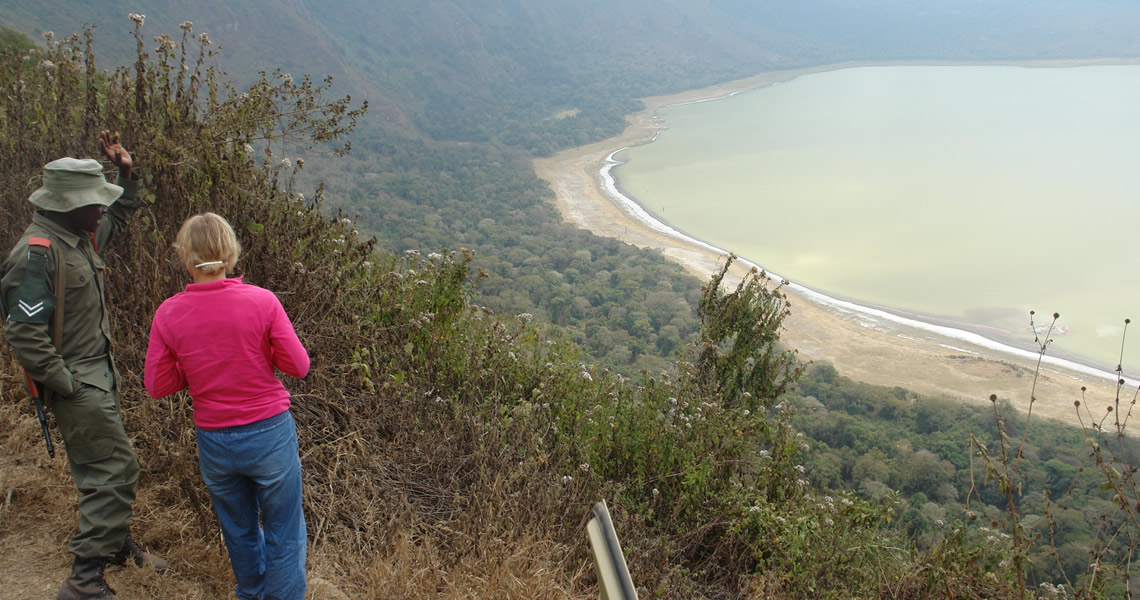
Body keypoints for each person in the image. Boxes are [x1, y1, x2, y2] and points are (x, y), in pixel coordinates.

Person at [1, 131, 168, 600]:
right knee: (117, 471)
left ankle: (115, 545)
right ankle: (84, 578)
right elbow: (24, 333)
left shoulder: (76, 235)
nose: (101, 208)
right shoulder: (37, 254)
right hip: (78, 383)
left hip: (99, 375)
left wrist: (126, 175)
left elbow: (119, 215)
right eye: (93, 201)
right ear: (66, 203)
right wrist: (66, 384)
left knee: (99, 469)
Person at [144, 212, 310, 600]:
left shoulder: (168, 313)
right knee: (284, 531)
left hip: (215, 440)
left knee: (238, 530)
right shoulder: (262, 302)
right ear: (230, 254)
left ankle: (251, 593)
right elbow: (299, 366)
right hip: (269, 433)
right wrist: (260, 352)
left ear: (186, 258)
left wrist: (197, 364)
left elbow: (157, 385)